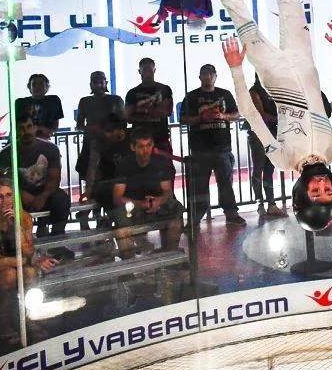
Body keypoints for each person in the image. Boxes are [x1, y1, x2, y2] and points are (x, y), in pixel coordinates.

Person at [171, 0, 332, 232]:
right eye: (328, 191)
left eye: (316, 192)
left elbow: (251, 116)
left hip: (270, 69)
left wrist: (237, 71)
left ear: (301, 194)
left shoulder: (284, 159)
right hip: (304, 61)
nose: (322, 185)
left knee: (235, 5)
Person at [180, 63, 245, 226]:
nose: (208, 77)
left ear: (215, 77)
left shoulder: (225, 94)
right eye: (205, 74)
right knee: (199, 186)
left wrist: (223, 116)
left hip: (222, 148)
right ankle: (195, 219)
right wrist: (200, 118)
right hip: (200, 149)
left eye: (211, 74)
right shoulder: (191, 96)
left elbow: (237, 114)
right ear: (200, 77)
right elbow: (183, 119)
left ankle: (231, 214)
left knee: (226, 185)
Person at [112, 129, 184, 258]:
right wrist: (140, 204)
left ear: (152, 145)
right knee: (121, 227)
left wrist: (158, 201)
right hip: (132, 208)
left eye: (148, 145)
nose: (145, 150)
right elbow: (117, 198)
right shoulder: (124, 165)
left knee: (176, 212)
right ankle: (129, 265)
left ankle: (170, 257)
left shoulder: (161, 163)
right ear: (133, 147)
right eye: (141, 146)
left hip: (156, 206)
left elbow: (167, 192)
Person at [0, 115, 71, 236]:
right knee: (5, 202)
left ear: (35, 128)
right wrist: (21, 194)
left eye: (29, 127)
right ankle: (17, 240)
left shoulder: (51, 149)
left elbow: (54, 179)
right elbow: (5, 183)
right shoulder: (6, 153)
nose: (26, 131)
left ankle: (58, 237)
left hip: (45, 193)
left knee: (61, 199)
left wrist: (43, 196)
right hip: (18, 195)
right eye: (21, 128)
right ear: (15, 131)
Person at [74, 71, 125, 214]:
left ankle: (110, 216)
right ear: (91, 85)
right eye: (96, 82)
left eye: (101, 82)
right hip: (92, 144)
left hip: (113, 146)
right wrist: (93, 129)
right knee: (93, 182)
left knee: (114, 180)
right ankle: (92, 214)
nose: (99, 85)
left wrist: (110, 133)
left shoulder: (116, 100)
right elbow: (79, 125)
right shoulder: (85, 101)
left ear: (106, 83)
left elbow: (123, 123)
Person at [247, 77, 286, 219]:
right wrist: (280, 119)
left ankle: (271, 204)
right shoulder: (254, 91)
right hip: (258, 134)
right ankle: (260, 204)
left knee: (269, 168)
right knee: (259, 168)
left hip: (272, 132)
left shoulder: (272, 90)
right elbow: (261, 115)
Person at [125, 57, 174, 154]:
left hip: (161, 139)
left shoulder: (165, 89)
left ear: (154, 70)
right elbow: (128, 117)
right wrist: (155, 111)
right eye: (144, 70)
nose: (147, 73)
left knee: (164, 164)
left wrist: (142, 110)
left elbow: (168, 112)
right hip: (140, 141)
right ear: (139, 71)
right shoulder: (132, 93)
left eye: (150, 69)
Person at [14, 73, 64, 140]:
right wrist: (39, 128)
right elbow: (17, 127)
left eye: (41, 84)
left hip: (43, 140)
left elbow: (54, 128)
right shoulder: (20, 103)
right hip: (23, 139)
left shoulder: (53, 101)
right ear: (29, 87)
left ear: (47, 87)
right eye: (34, 84)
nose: (37, 87)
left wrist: (41, 130)